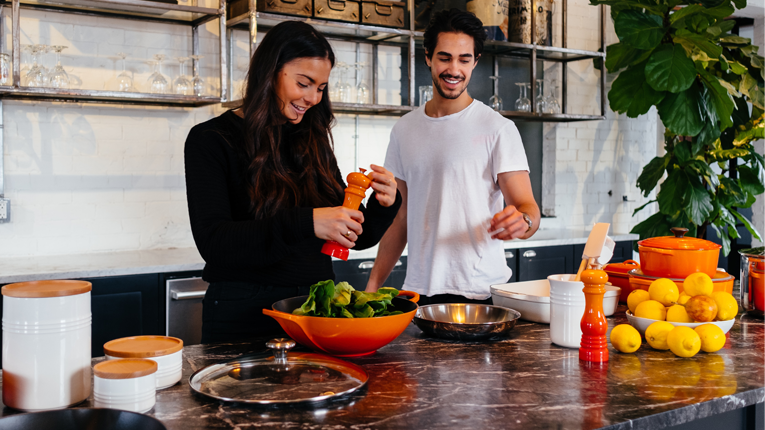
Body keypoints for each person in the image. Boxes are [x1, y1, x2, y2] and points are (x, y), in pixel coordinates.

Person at [184, 21, 402, 344]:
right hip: (242, 319)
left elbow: (351, 238)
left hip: (315, 314)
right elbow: (214, 243)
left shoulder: (313, 140)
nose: (313, 98)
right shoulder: (210, 140)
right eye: (304, 83)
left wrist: (384, 205)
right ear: (271, 71)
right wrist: (308, 222)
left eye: (321, 87)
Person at [365, 9, 540, 305]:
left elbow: (528, 210)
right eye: (445, 58)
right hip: (418, 293)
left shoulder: (498, 129)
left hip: (481, 293)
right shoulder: (405, 129)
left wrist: (522, 222)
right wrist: (371, 287)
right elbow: (400, 217)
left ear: (476, 61)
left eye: (464, 59)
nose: (454, 69)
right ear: (428, 57)